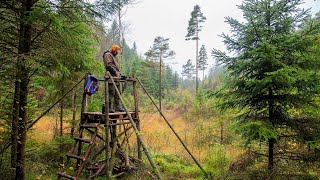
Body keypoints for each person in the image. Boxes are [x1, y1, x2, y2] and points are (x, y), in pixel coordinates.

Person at [103, 45, 125, 112]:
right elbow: (108, 66)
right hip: (111, 77)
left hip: (116, 78)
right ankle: (109, 108)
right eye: (117, 51)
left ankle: (118, 107)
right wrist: (115, 73)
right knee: (111, 93)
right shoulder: (107, 55)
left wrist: (120, 75)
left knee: (118, 93)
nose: (118, 52)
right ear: (114, 50)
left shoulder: (114, 57)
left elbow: (116, 68)